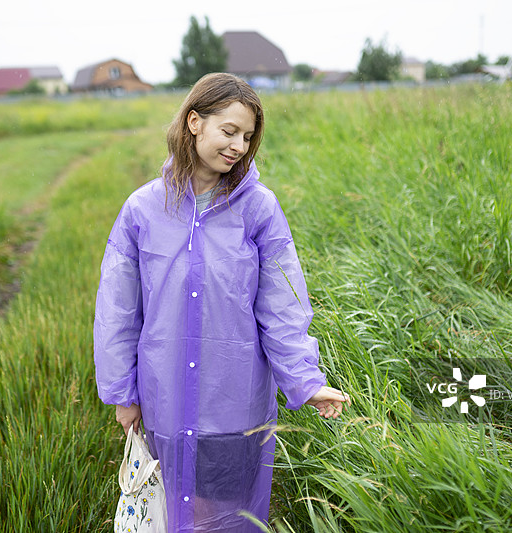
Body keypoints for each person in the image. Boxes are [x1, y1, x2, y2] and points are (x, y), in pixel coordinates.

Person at [94, 72, 349, 532]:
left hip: (235, 404)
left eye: (247, 137)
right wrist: (122, 393)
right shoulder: (142, 210)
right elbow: (118, 311)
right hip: (165, 399)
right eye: (229, 131)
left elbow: (282, 307)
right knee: (173, 512)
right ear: (194, 122)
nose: (238, 146)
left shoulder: (259, 210)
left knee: (220, 516)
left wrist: (305, 381)